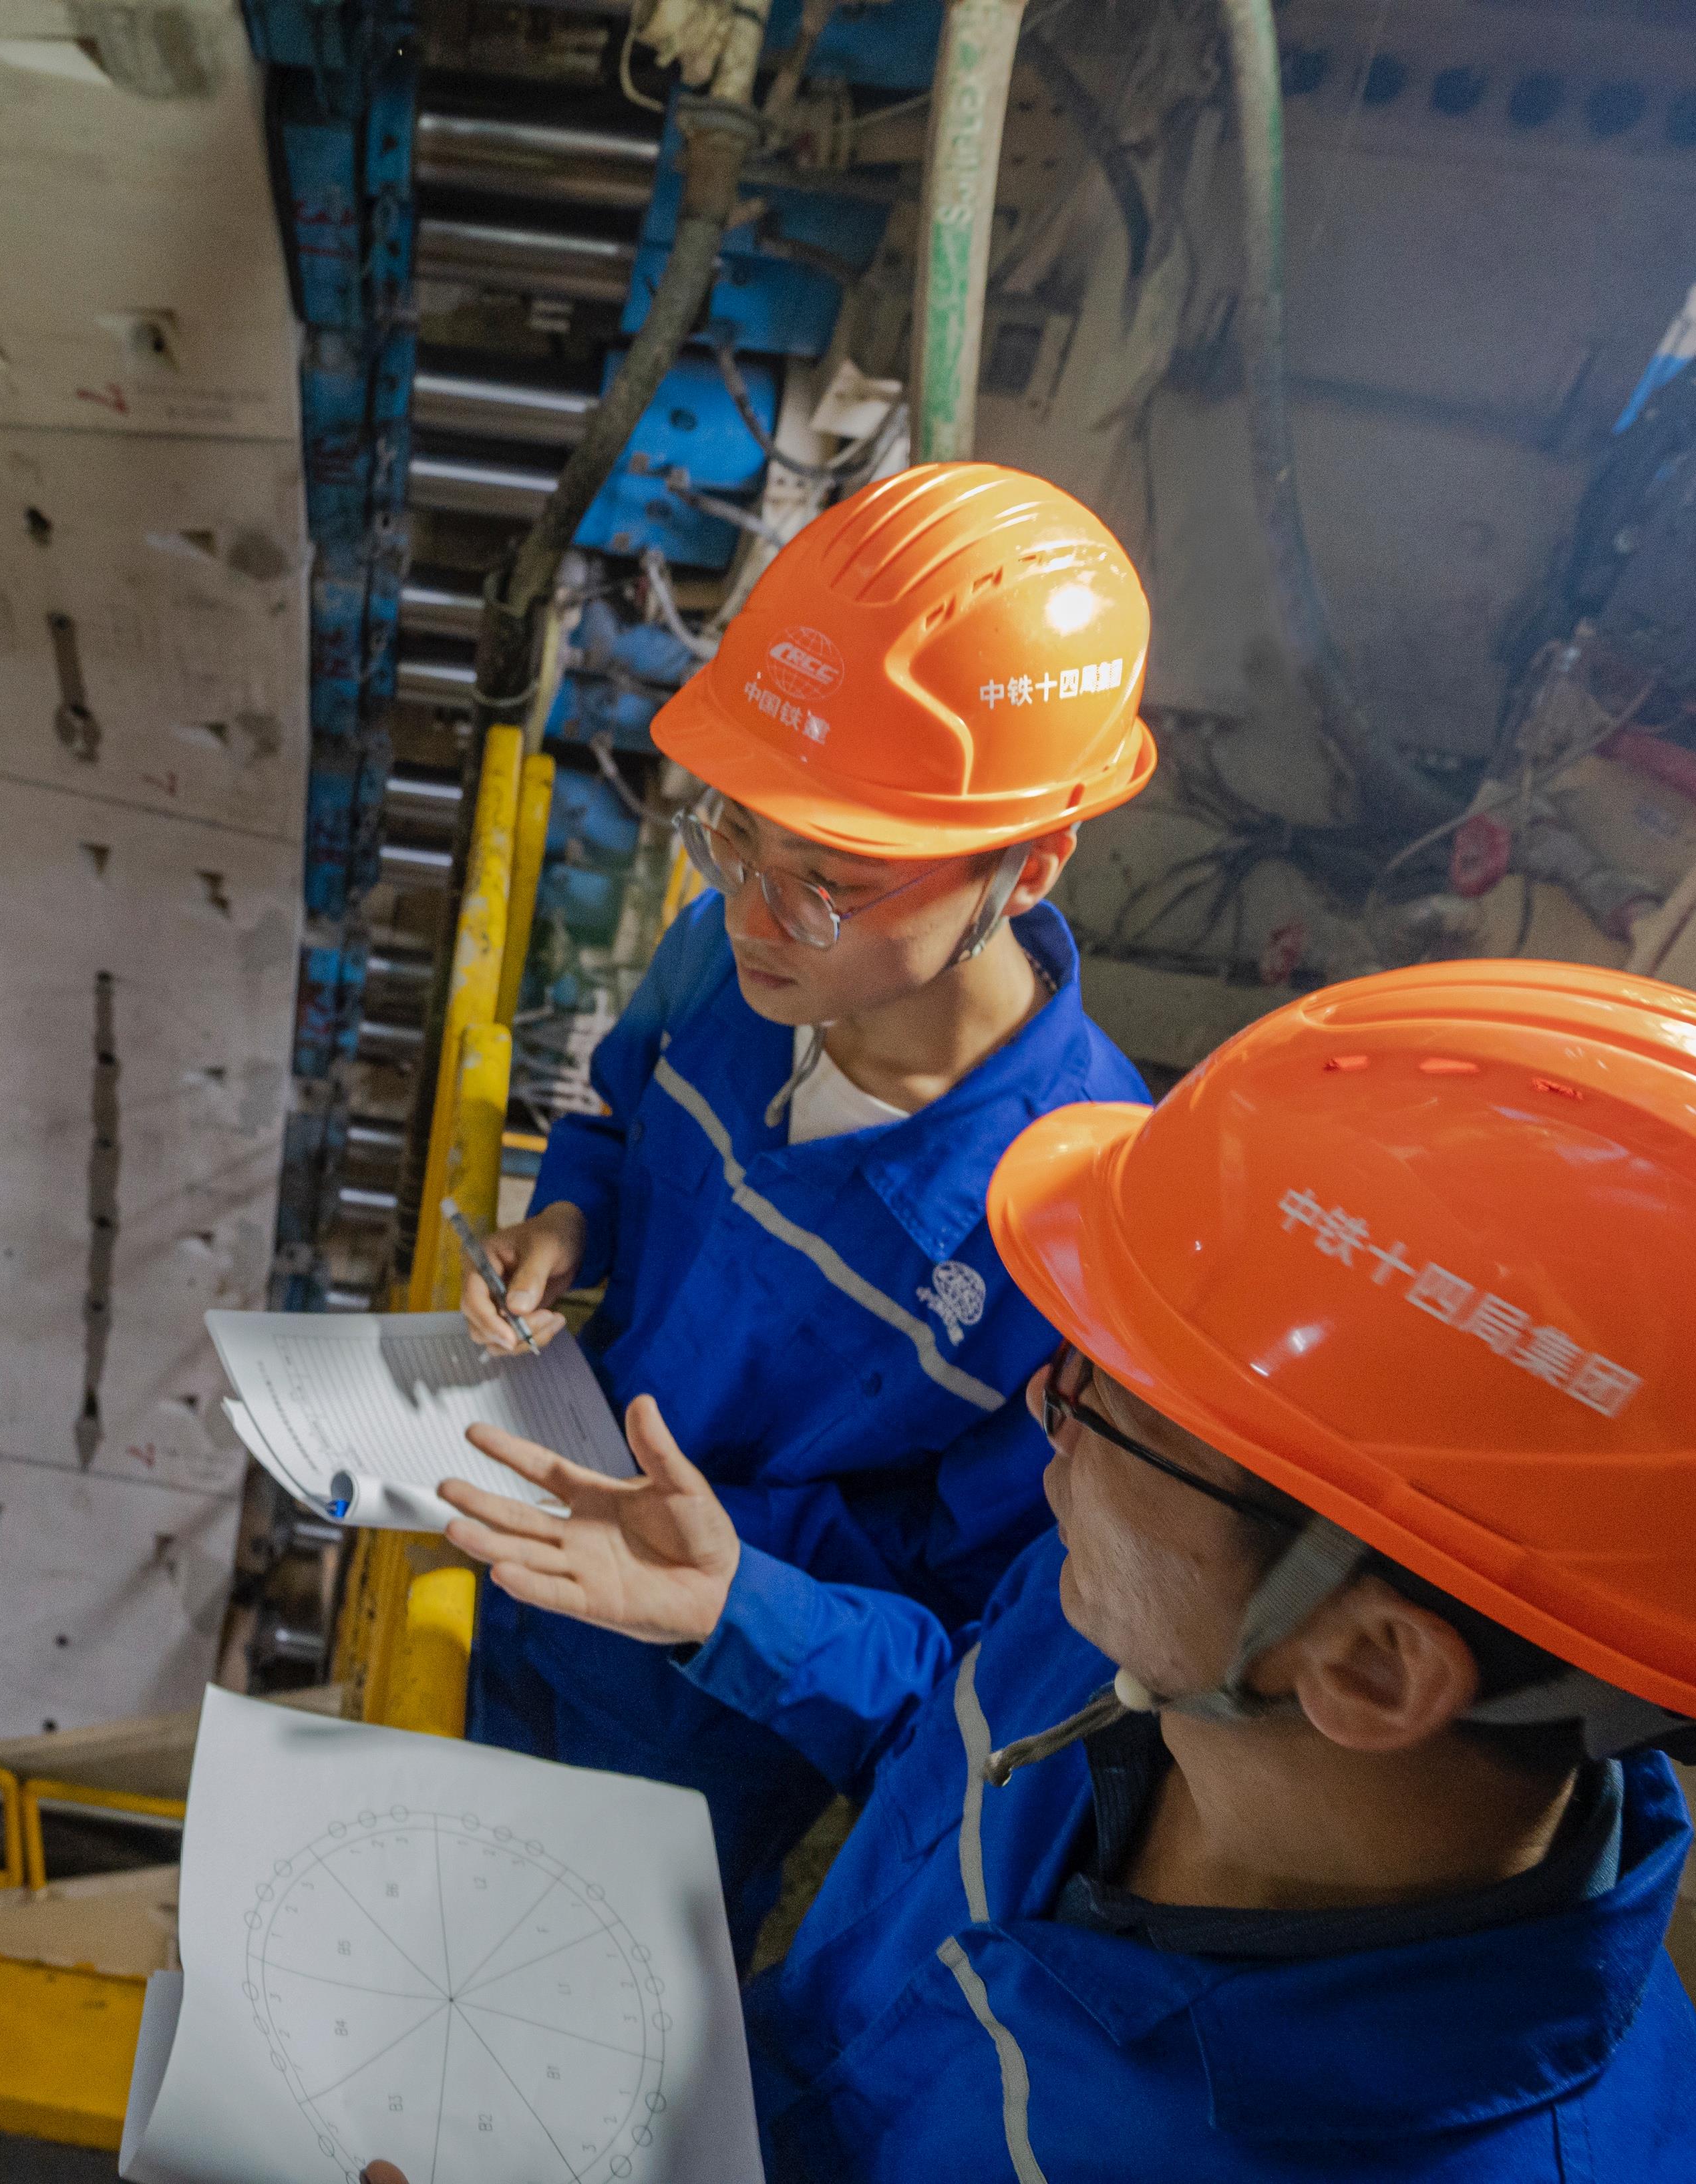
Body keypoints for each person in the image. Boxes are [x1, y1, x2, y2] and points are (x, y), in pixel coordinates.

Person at [430, 957, 1696, 2179]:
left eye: (1116, 1403)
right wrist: (737, 1604)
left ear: (1373, 1666)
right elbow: (962, 1731)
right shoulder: (1161, 1638)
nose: (1041, 1409)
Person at [457, 461, 1159, 1933]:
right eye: (733, 833)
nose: (751, 912)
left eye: (828, 878)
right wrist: (570, 1216)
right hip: (522, 1558)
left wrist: (731, 1596)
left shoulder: (1077, 1230)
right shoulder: (724, 959)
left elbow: (974, 1645)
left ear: (1027, 867)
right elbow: (622, 1107)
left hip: (705, 1715)